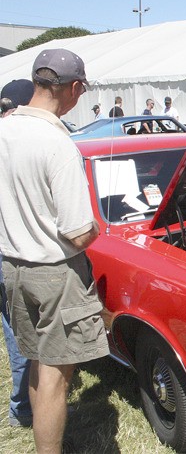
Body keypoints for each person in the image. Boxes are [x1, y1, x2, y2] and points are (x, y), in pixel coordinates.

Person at [0, 49, 110, 452]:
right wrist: (100, 225)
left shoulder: (5, 129)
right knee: (56, 377)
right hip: (55, 272)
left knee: (34, 361)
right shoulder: (58, 143)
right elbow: (79, 234)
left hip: (13, 266)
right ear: (75, 88)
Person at [0, 79, 35, 428]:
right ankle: (22, 408)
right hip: (11, 252)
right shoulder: (24, 140)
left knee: (14, 328)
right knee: (24, 332)